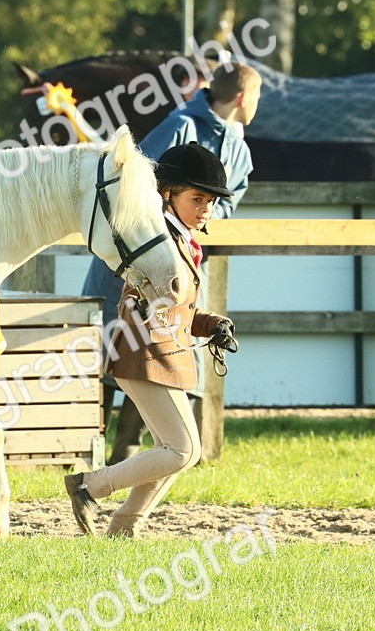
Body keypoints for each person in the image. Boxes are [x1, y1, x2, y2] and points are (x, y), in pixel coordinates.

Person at [82, 62, 258, 464]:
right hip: (137, 261)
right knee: (117, 345)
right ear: (245, 97)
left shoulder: (240, 150)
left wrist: (190, 234)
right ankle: (92, 452)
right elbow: (136, 180)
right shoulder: (179, 125)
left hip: (184, 264)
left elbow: (228, 206)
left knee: (165, 350)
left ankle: (127, 450)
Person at [66, 142, 239, 538]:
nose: (205, 209)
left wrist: (211, 323)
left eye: (210, 201)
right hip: (143, 356)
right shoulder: (154, 242)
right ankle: (89, 487)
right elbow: (134, 292)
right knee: (183, 450)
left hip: (165, 356)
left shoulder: (183, 241)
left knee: (173, 453)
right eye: (196, 198)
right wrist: (141, 311)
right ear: (167, 194)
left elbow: (180, 308)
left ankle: (125, 526)